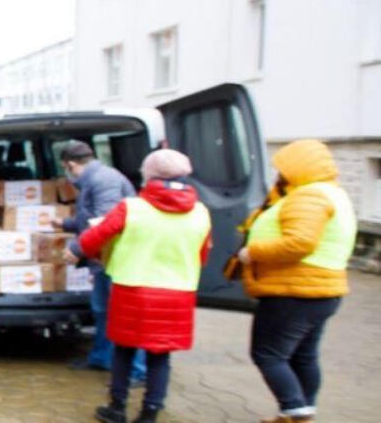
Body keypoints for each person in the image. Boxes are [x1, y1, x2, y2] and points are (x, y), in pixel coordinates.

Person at [64, 149, 212, 423]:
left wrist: (77, 249)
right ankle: (149, 413)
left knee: (124, 349)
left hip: (133, 290)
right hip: (177, 294)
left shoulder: (132, 207)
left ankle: (116, 409)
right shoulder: (201, 213)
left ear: (150, 175)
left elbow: (98, 235)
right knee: (160, 356)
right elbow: (202, 254)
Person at [236, 140, 356, 423]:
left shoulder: (308, 197)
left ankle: (295, 411)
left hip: (294, 291)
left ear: (299, 167)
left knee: (267, 354)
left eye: (283, 168)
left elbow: (299, 242)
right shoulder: (333, 193)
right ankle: (299, 411)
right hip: (322, 290)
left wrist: (250, 252)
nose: (279, 173)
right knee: (303, 356)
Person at [52, 140, 145, 381]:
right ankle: (102, 358)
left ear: (71, 165)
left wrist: (77, 247)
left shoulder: (104, 180)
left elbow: (106, 222)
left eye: (65, 168)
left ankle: (137, 371)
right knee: (102, 310)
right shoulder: (93, 181)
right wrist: (64, 224)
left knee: (125, 316)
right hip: (103, 260)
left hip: (117, 260)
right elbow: (90, 218)